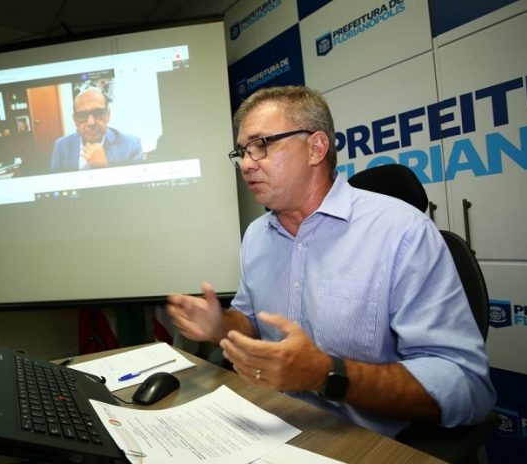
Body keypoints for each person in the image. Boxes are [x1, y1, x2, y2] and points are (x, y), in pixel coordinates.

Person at [167, 86, 496, 437]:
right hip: (274, 424)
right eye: (242, 152)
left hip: (362, 442)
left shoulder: (403, 233)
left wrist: (326, 374)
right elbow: (251, 322)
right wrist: (221, 325)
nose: (247, 164)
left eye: (261, 145)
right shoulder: (256, 236)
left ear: (316, 147)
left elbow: (467, 387)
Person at [50, 87, 144, 171]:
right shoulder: (61, 146)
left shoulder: (131, 145)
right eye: (82, 115)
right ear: (75, 120)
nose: (91, 122)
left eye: (98, 113)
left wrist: (104, 168)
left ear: (108, 115)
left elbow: (133, 189)